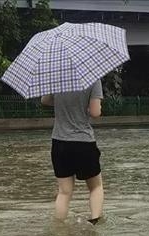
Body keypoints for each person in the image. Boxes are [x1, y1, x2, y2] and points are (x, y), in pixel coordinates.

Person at [40, 80, 104, 224]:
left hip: (59, 143)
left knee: (64, 192)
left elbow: (44, 100)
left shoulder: (56, 76)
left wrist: (64, 103)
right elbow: (95, 112)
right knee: (96, 187)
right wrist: (92, 106)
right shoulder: (93, 79)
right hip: (84, 142)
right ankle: (95, 226)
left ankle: (59, 230)